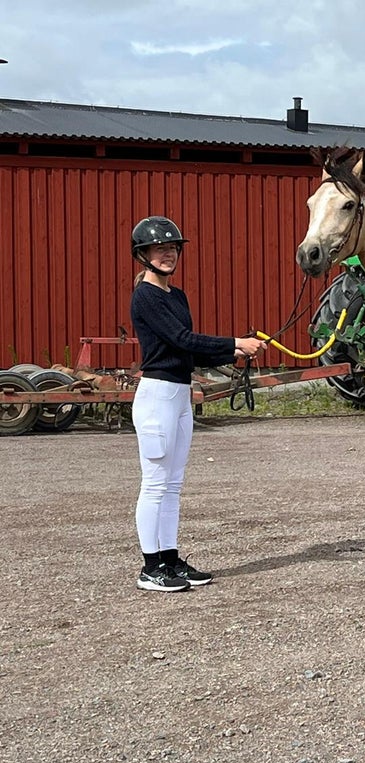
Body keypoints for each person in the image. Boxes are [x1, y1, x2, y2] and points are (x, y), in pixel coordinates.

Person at [128, 216, 265, 593]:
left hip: (179, 395)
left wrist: (235, 353)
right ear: (143, 255)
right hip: (157, 397)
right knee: (155, 485)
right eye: (160, 249)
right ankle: (150, 567)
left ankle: (170, 559)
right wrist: (234, 342)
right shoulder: (145, 295)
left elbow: (185, 351)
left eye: (173, 248)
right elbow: (180, 338)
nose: (168, 254)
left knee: (172, 485)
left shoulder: (177, 295)